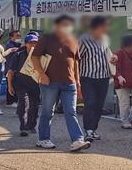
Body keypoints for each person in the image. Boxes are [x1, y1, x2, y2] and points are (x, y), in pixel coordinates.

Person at [31, 15, 91, 152]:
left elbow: (75, 62)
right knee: (48, 111)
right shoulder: (47, 38)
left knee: (71, 112)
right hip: (49, 82)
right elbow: (34, 57)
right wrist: (42, 74)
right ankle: (43, 138)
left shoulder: (73, 40)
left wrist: (77, 82)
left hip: (69, 83)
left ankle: (77, 140)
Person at [78, 16, 115, 141]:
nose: (107, 28)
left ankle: (93, 129)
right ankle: (88, 130)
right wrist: (76, 78)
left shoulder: (104, 39)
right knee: (90, 103)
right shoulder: (84, 40)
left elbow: (107, 55)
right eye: (106, 25)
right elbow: (76, 58)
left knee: (99, 105)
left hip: (103, 77)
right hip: (88, 77)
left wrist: (113, 59)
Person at [6, 32, 40, 136]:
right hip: (21, 85)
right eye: (31, 43)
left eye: (35, 43)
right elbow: (11, 72)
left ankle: (32, 126)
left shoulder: (41, 56)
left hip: (35, 85)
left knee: (34, 106)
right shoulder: (18, 55)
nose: (33, 45)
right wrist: (10, 86)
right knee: (23, 105)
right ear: (26, 44)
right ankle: (24, 127)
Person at [4, 30, 23, 107]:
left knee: (16, 84)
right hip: (10, 67)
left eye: (19, 36)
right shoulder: (9, 45)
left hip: (17, 68)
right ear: (11, 37)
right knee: (11, 84)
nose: (19, 37)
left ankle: (15, 100)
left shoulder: (18, 44)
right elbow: (15, 50)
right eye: (17, 36)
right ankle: (10, 102)